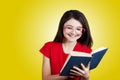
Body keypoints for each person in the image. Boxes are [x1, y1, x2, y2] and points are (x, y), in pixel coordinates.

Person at [40, 10, 93, 80]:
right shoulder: (49, 47)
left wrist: (86, 77)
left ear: (83, 31)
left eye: (78, 29)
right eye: (69, 28)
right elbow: (45, 78)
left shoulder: (86, 51)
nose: (73, 32)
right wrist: (66, 75)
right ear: (62, 27)